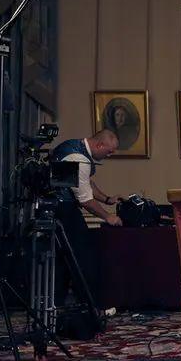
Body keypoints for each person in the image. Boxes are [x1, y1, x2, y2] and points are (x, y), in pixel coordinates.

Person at [50, 129, 123, 314]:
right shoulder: (78, 158)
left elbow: (87, 183)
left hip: (61, 208)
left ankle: (66, 305)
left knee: (68, 259)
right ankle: (91, 307)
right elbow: (85, 200)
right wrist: (108, 216)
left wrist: (107, 199)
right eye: (109, 151)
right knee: (84, 257)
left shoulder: (76, 148)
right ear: (99, 145)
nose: (110, 154)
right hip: (62, 210)